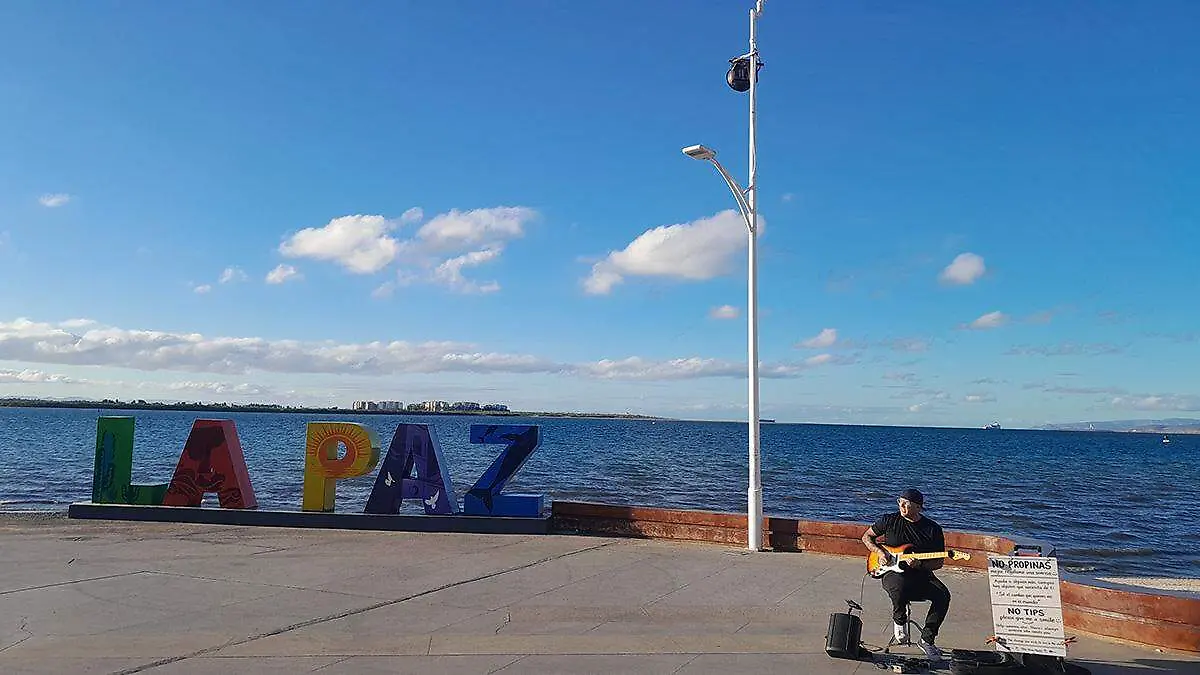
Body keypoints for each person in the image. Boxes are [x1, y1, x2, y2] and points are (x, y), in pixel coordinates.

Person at [860, 488, 951, 660]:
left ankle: (927, 640)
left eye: (906, 504)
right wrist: (879, 552)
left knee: (943, 595)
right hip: (891, 572)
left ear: (918, 507)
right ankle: (899, 620)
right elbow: (866, 537)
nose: (901, 506)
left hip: (920, 574)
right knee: (898, 586)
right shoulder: (889, 520)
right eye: (899, 502)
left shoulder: (932, 529)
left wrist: (921, 565)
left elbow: (939, 562)